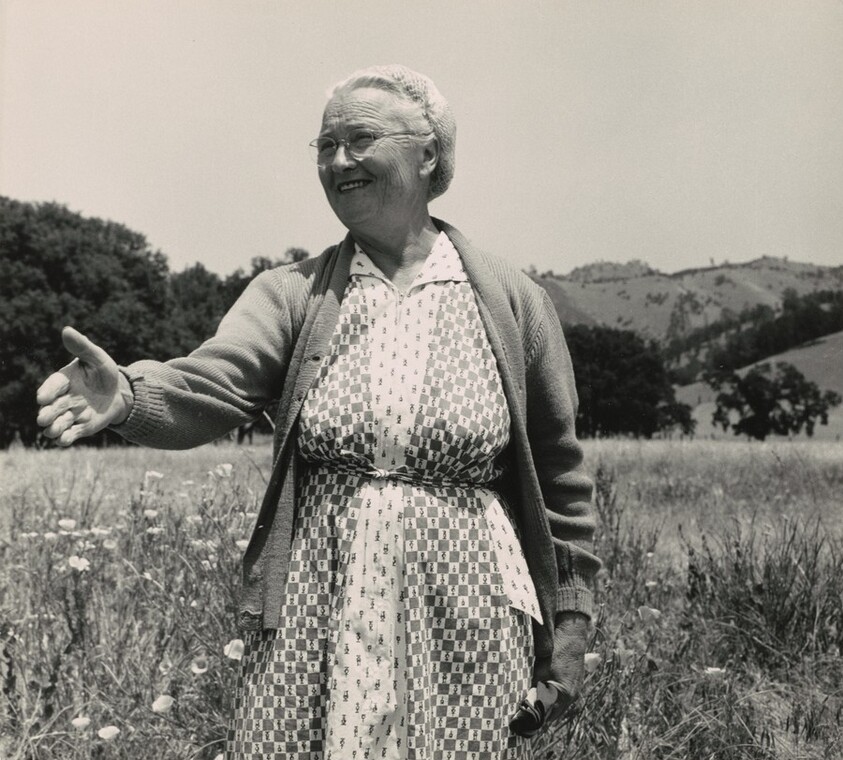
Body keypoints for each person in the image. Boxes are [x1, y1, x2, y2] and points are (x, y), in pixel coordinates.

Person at [36, 64, 600, 759]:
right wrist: (129, 395)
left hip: (470, 609)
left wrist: (569, 623)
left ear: (428, 154)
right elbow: (210, 384)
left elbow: (559, 474)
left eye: (359, 139)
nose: (337, 160)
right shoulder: (292, 294)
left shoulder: (513, 302)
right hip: (319, 603)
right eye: (324, 145)